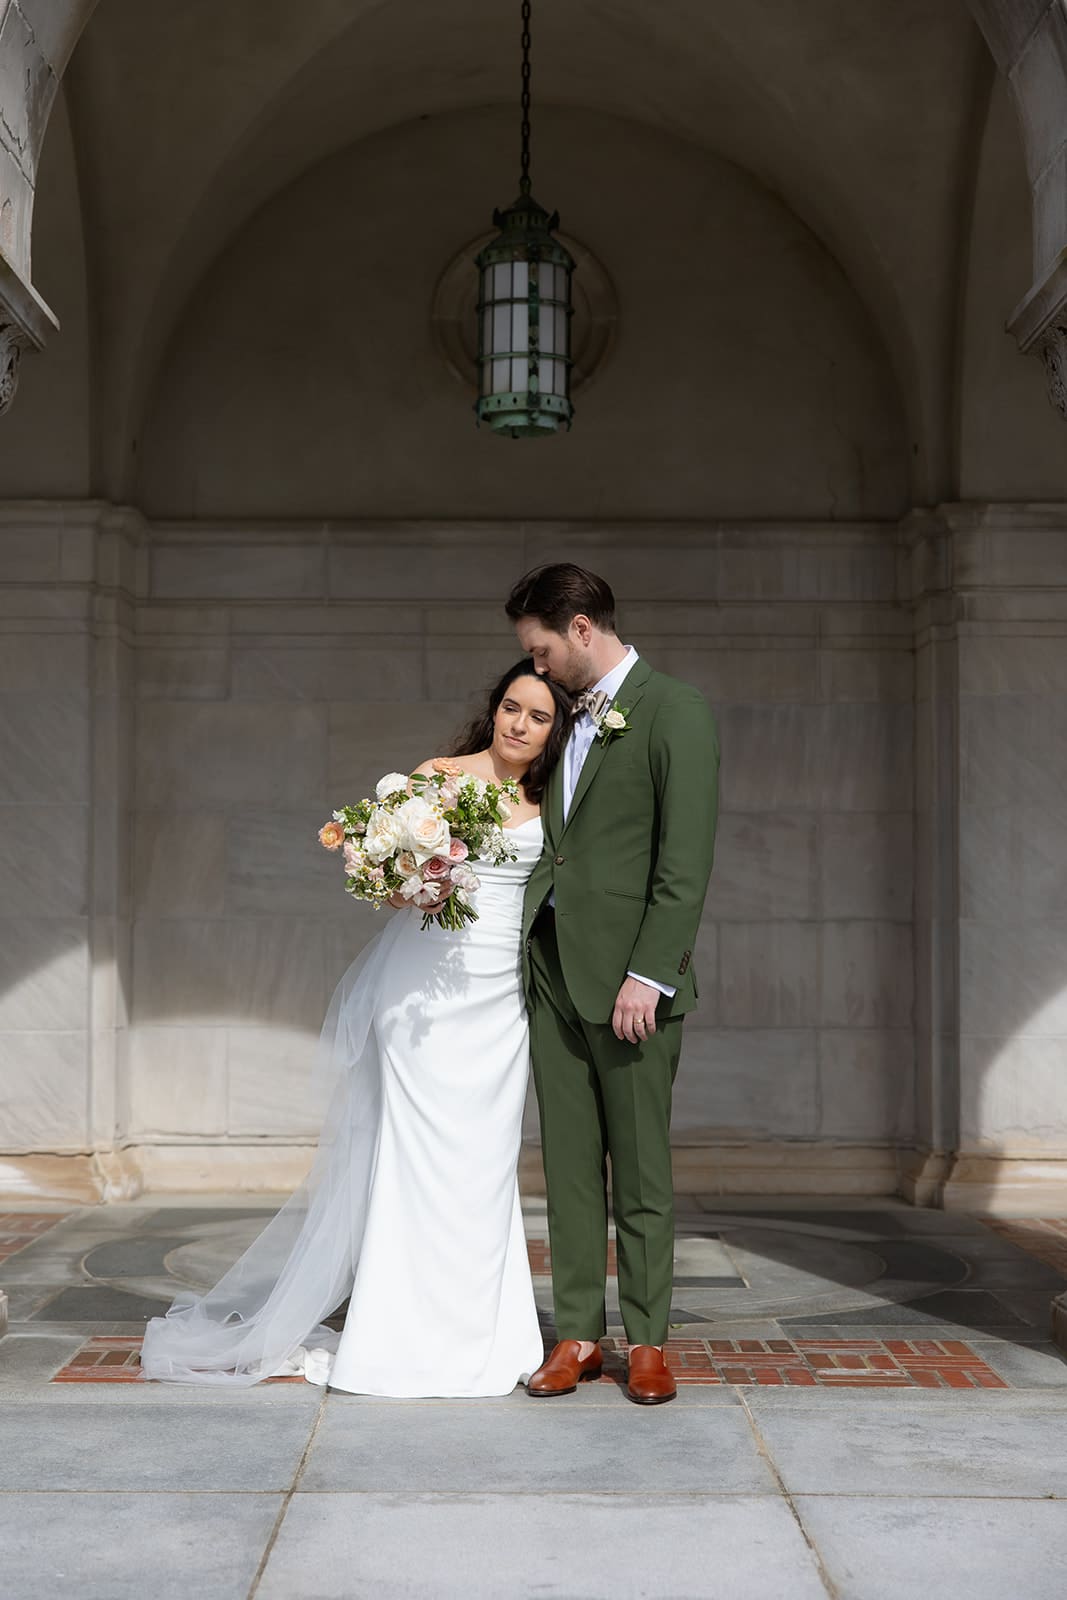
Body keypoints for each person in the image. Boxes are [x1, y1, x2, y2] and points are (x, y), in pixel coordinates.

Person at [140, 659, 572, 1394]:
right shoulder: (437, 778)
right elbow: (387, 877)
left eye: (536, 716)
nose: (518, 725)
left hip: (502, 996)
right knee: (411, 1157)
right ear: (492, 708)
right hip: (424, 991)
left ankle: (486, 1335)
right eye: (510, 707)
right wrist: (409, 883)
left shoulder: (557, 799)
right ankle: (395, 1334)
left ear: (555, 730)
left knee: (484, 1160)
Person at [507, 563, 719, 1406]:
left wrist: (648, 975)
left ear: (583, 628)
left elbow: (684, 863)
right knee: (563, 1169)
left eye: (542, 648)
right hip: (551, 974)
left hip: (634, 989)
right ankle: (576, 1336)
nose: (537, 666)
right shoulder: (560, 717)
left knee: (638, 1174)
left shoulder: (677, 712)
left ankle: (649, 1341)